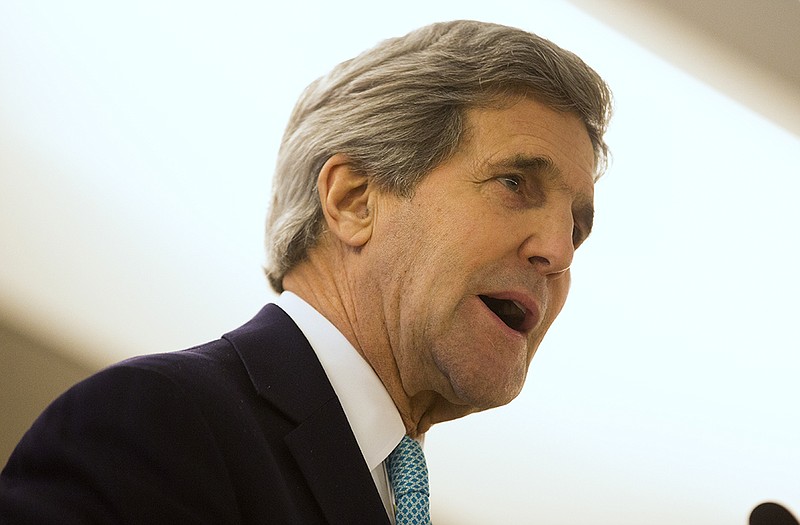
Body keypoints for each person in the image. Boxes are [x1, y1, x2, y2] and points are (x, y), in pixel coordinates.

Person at [0, 19, 612, 524]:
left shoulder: (391, 498)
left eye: (577, 231)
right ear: (353, 200)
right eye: (514, 184)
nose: (557, 252)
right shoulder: (156, 424)